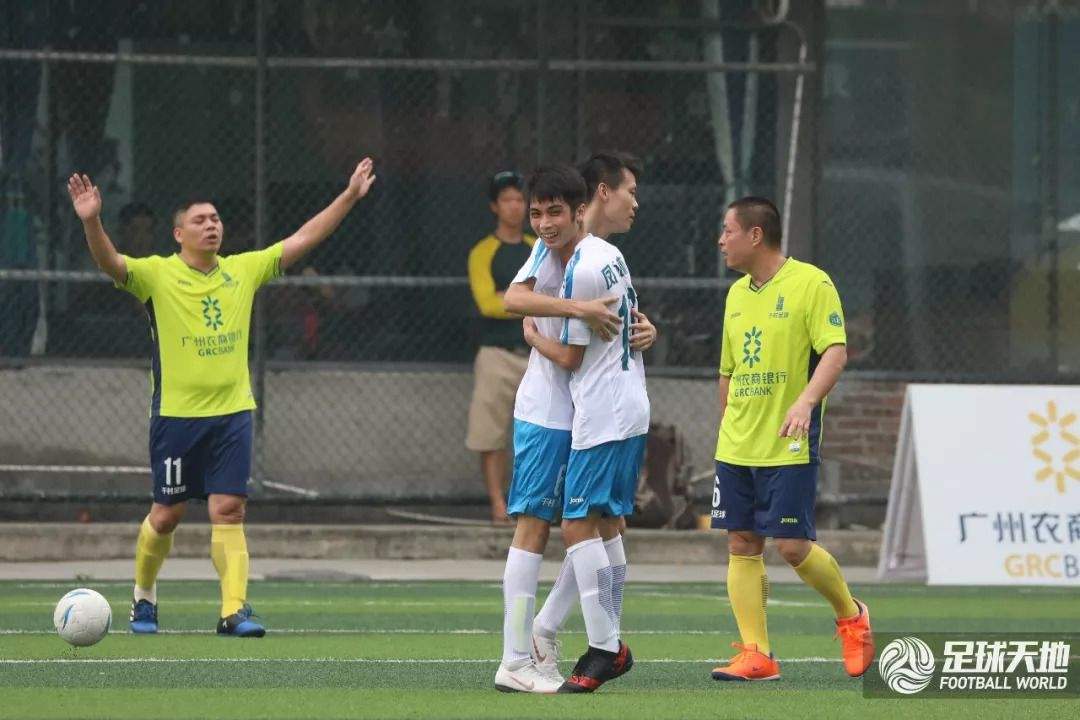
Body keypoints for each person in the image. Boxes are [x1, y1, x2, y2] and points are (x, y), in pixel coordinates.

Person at [66, 158, 377, 637]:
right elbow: (110, 262)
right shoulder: (156, 275)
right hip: (176, 416)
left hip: (232, 413)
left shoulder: (243, 270)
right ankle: (143, 597)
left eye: (215, 219)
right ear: (178, 234)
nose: (211, 226)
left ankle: (234, 610)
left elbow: (304, 238)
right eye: (199, 220)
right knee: (167, 516)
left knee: (229, 510)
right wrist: (92, 220)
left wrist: (350, 196)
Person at [502, 152, 655, 682]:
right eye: (630, 189)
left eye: (553, 213)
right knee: (576, 525)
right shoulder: (566, 254)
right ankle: (534, 645)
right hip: (559, 409)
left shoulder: (590, 259)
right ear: (602, 195)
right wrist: (578, 315)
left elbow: (579, 341)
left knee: (580, 524)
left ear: (577, 206)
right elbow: (513, 298)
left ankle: (556, 642)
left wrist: (635, 326)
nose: (543, 224)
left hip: (591, 411)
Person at [710, 196, 874, 681]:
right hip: (738, 445)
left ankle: (852, 616)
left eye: (727, 231)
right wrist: (727, 427)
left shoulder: (811, 283)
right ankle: (757, 654)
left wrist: (804, 403)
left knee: (792, 546)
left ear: (755, 235)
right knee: (741, 541)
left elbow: (835, 353)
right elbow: (727, 371)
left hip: (790, 443)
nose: (721, 240)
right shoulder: (736, 295)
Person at [465, 171, 536, 524]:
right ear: (495, 206)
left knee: (541, 431)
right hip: (495, 354)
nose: (515, 206)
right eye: (507, 200)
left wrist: (512, 298)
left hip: (536, 353)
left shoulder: (534, 248)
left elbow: (551, 296)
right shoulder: (483, 251)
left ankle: (534, 503)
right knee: (491, 434)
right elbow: (486, 303)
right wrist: (529, 300)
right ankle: (497, 503)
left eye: (520, 200)